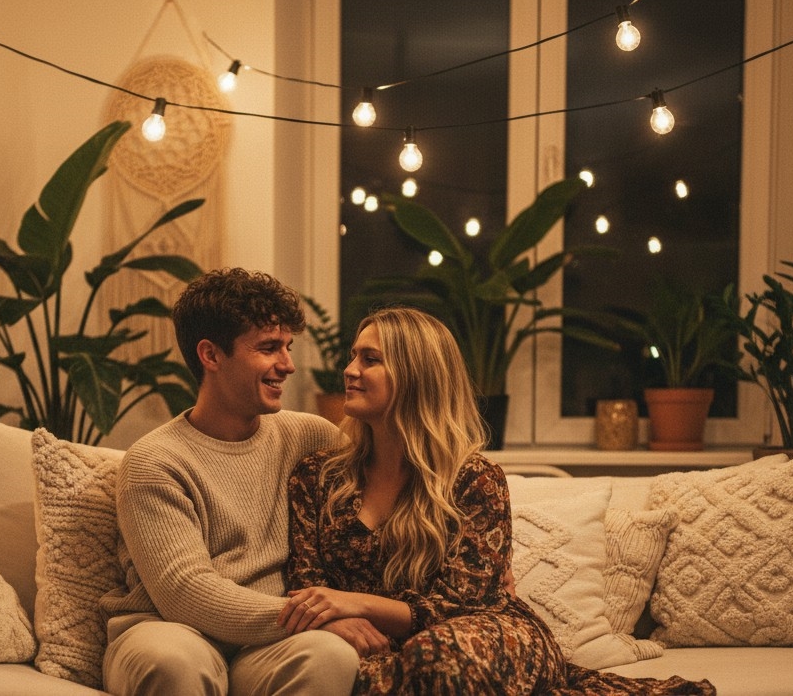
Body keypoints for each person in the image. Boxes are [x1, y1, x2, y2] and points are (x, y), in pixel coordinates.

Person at [280, 306, 716, 694]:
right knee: (372, 670)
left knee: (438, 655)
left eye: (370, 359)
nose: (350, 370)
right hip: (375, 649)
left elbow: (462, 603)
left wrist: (353, 602)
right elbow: (306, 584)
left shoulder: (473, 479)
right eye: (354, 356)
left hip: (482, 635)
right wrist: (334, 618)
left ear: (416, 376)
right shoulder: (318, 476)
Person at [100, 267, 362, 696]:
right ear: (211, 355)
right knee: (174, 662)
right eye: (269, 348)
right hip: (168, 630)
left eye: (288, 347)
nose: (288, 365)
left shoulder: (309, 437)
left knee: (330, 655)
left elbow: (394, 478)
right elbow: (185, 592)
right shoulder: (155, 461)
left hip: (265, 644)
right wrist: (321, 615)